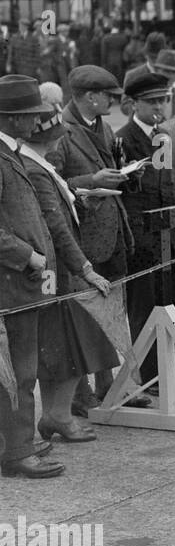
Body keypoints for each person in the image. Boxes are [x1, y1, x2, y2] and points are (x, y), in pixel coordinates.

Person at [20, 99, 117, 445]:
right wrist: (86, 269)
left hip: (54, 272)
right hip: (59, 273)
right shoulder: (35, 169)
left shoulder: (35, 164)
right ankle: (58, 415)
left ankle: (54, 414)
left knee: (59, 343)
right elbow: (57, 228)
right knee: (69, 343)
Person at [47, 65, 134, 404]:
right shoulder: (60, 131)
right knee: (83, 315)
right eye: (108, 95)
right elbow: (51, 186)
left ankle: (108, 385)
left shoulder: (104, 127)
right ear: (89, 97)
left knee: (112, 310)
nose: (113, 99)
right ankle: (80, 396)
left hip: (112, 232)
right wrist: (93, 182)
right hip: (81, 241)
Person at [118, 73, 175, 384]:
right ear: (133, 104)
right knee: (146, 306)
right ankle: (152, 374)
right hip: (144, 242)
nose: (159, 106)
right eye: (151, 101)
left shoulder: (171, 136)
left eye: (163, 100)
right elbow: (123, 198)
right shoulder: (123, 140)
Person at [0, 76, 66, 477]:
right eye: (30, 116)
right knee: (20, 372)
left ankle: (16, 440)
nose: (36, 122)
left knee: (20, 369)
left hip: (19, 284)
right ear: (11, 119)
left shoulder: (12, 153)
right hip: (11, 284)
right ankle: (17, 452)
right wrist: (28, 257)